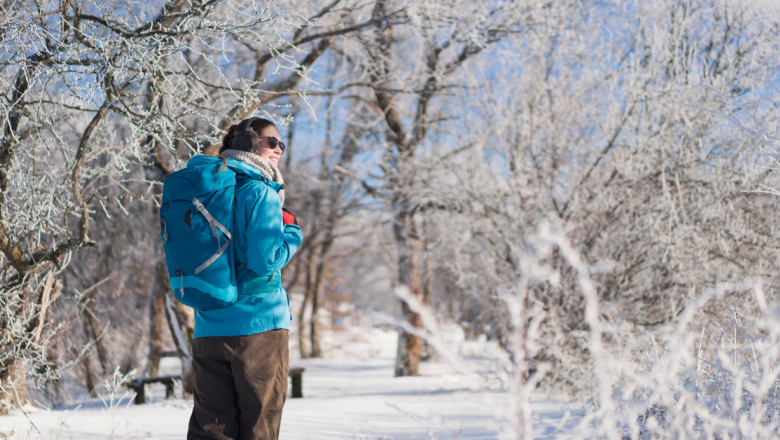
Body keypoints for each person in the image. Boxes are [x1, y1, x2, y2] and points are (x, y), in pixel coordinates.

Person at [186, 117, 303, 440]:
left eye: (281, 143)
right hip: (257, 327)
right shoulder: (260, 192)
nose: (278, 149)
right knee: (259, 428)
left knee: (211, 430)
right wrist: (292, 231)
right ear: (249, 144)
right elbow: (266, 261)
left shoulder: (206, 191)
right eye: (271, 142)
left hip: (208, 328)